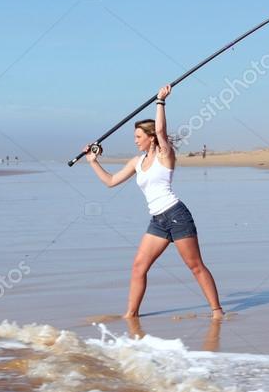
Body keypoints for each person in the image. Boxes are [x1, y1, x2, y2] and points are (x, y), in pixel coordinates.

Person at [83, 84, 225, 320]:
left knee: (195, 266)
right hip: (158, 221)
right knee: (139, 266)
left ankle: (217, 312)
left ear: (150, 138)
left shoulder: (164, 154)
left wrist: (161, 101)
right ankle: (131, 314)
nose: (135, 141)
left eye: (139, 136)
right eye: (134, 137)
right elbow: (110, 181)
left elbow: (161, 131)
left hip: (177, 215)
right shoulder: (136, 162)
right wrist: (93, 162)